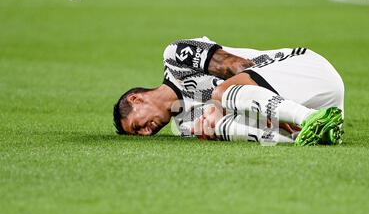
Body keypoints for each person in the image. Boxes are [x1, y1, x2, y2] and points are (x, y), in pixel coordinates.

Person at [113, 37, 344, 146]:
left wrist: (221, 106)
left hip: (304, 68)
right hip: (322, 104)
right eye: (139, 135)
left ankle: (307, 119)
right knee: (217, 124)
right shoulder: (184, 123)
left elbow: (239, 66)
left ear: (136, 99)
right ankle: (307, 135)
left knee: (220, 95)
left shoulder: (176, 59)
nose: (145, 133)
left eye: (137, 126)